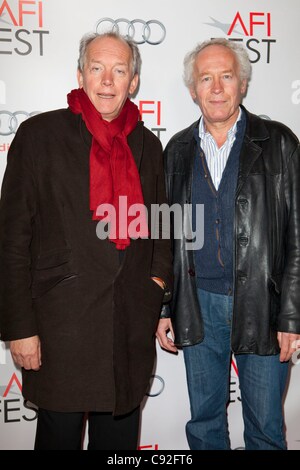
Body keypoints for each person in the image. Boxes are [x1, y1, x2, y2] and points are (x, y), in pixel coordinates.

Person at [0, 31, 172, 450]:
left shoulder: (148, 145)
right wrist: (20, 328)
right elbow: (11, 239)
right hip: (60, 331)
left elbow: (163, 229)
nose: (108, 81)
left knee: (118, 448)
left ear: (134, 81)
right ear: (81, 74)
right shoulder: (39, 135)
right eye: (97, 69)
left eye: (119, 70)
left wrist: (157, 290)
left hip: (127, 330)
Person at [156, 38, 300, 450]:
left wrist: (291, 316)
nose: (216, 88)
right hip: (197, 304)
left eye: (226, 76)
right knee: (203, 425)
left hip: (263, 304)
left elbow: (297, 237)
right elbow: (165, 237)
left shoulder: (279, 144)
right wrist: (166, 306)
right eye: (206, 78)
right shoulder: (177, 150)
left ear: (243, 84)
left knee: (266, 428)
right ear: (193, 90)